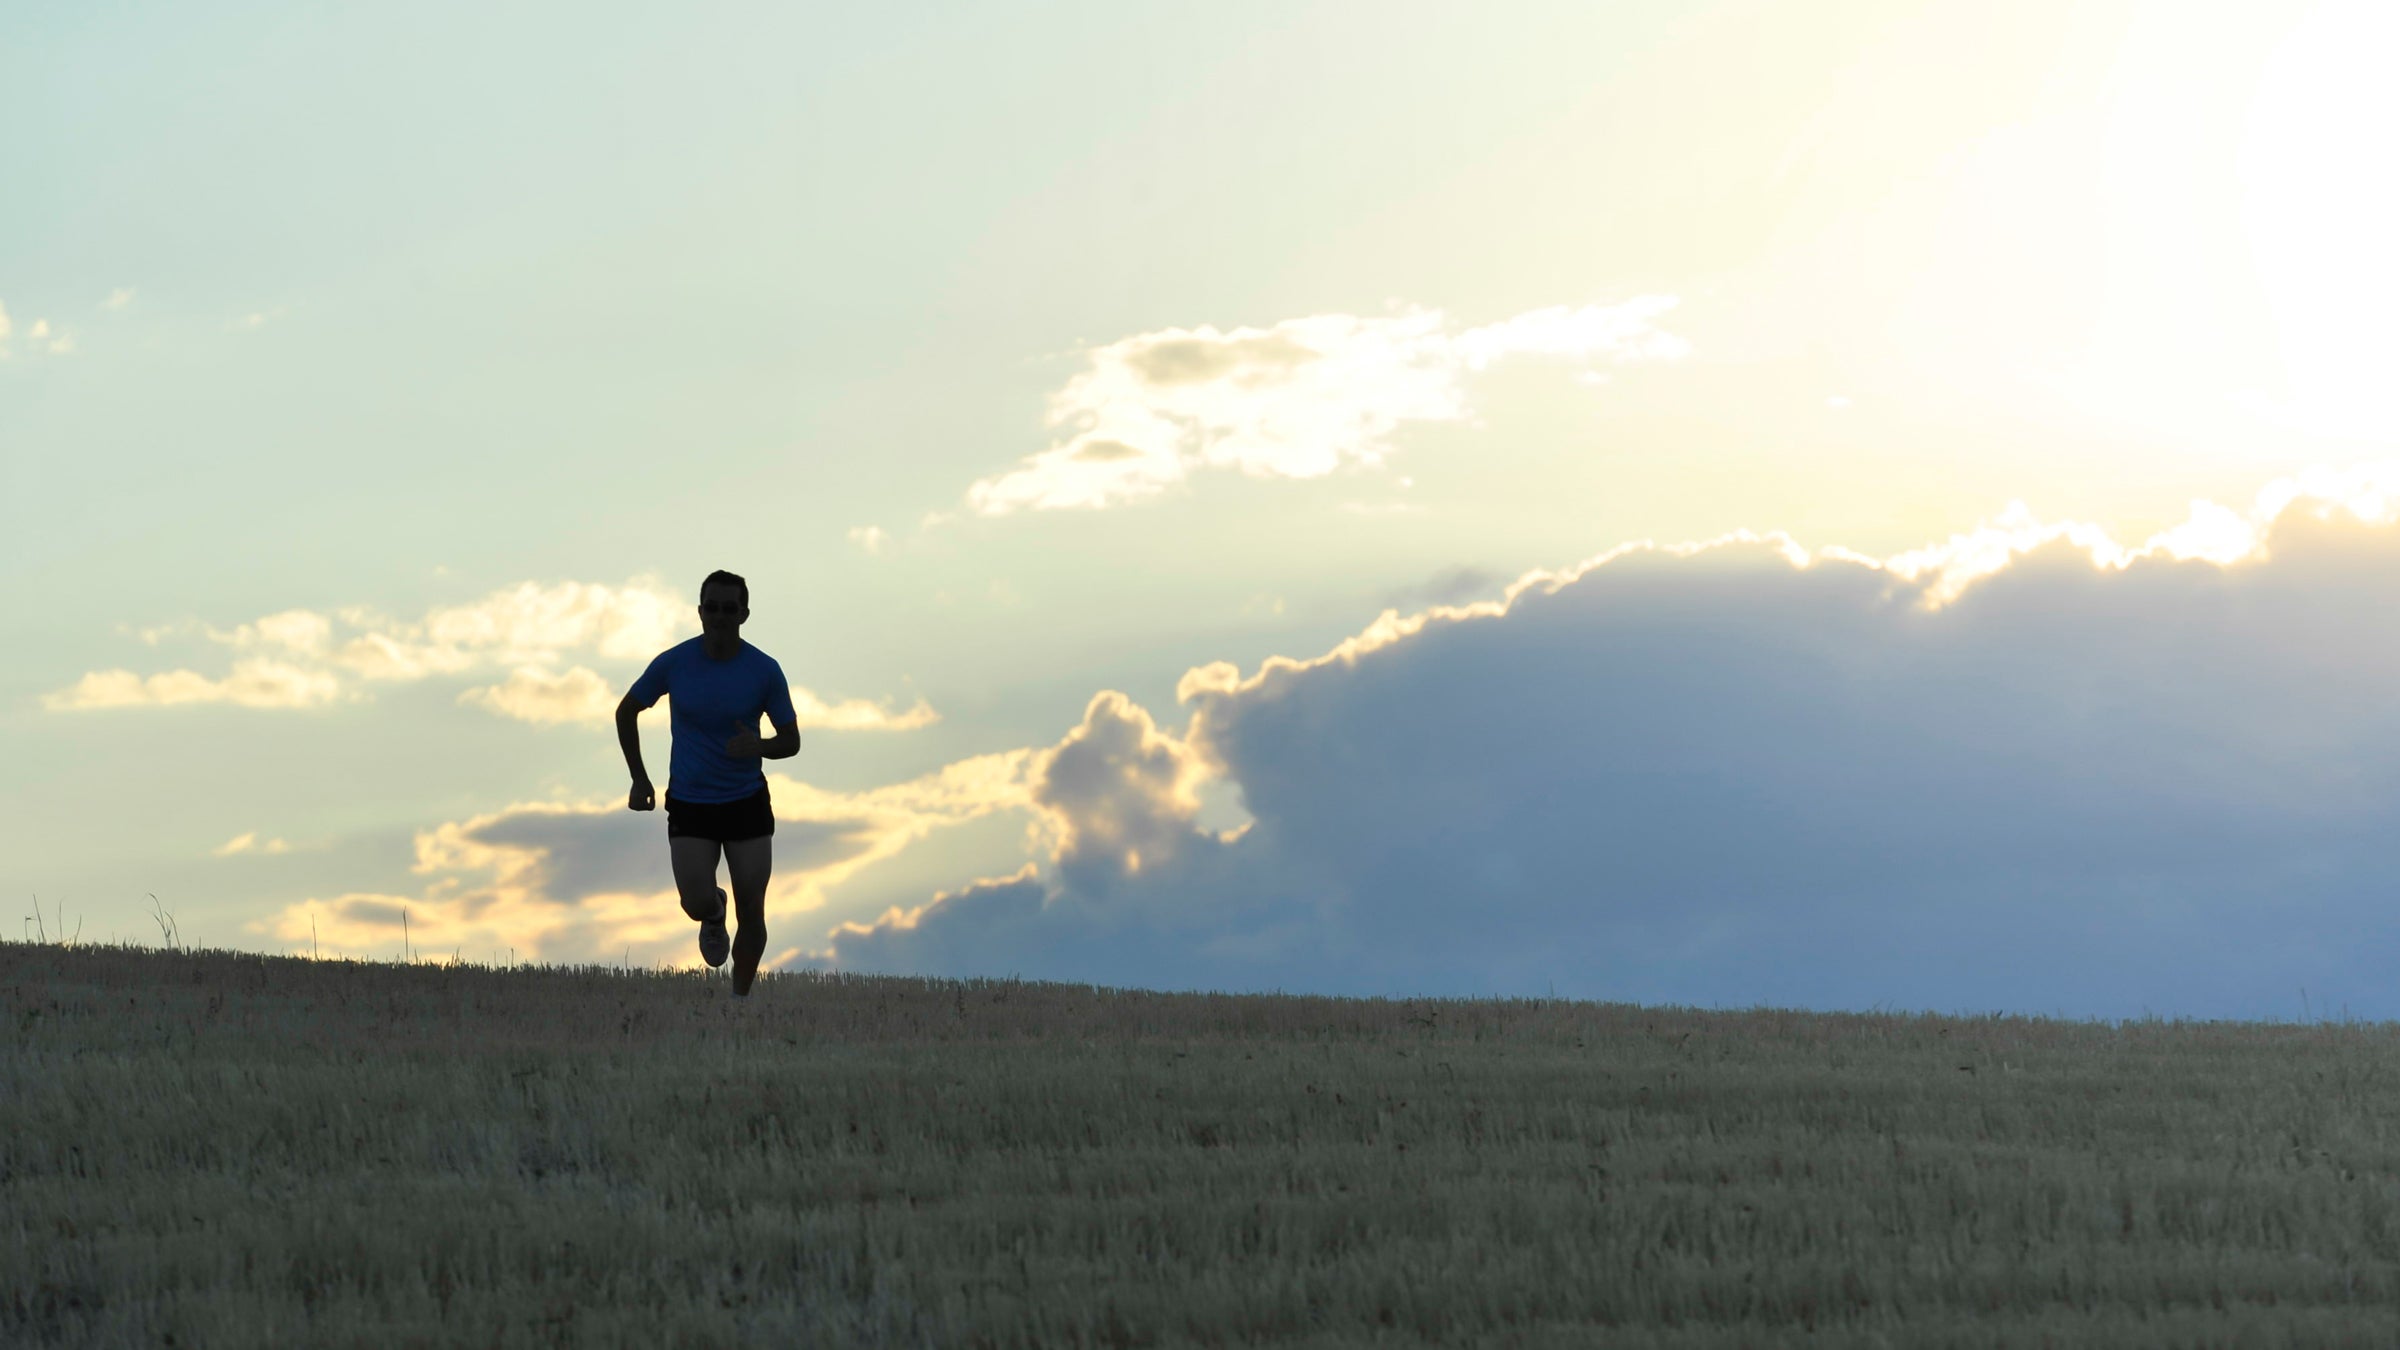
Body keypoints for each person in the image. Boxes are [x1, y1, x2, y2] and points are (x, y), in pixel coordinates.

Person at [616, 570, 800, 996]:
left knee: (752, 910)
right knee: (695, 903)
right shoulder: (675, 662)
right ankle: (714, 912)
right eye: (712, 608)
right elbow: (626, 711)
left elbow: (790, 741)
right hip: (690, 802)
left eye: (728, 609)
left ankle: (738, 1002)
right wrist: (639, 778)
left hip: (746, 802)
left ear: (744, 614)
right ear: (700, 612)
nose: (719, 616)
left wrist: (758, 746)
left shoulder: (764, 670)